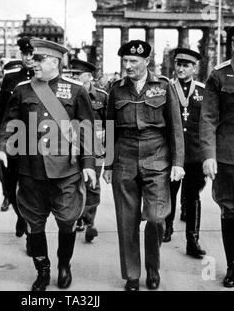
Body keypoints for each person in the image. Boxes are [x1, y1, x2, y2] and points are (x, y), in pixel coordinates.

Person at [0, 38, 96, 291]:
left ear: (55, 62)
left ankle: (64, 265)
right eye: (33, 59)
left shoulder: (76, 91)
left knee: (67, 221)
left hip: (66, 171)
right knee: (34, 223)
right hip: (31, 171)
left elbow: (87, 131)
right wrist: (0, 148)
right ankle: (42, 270)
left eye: (39, 60)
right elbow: (9, 123)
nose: (34, 64)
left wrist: (89, 164)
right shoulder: (22, 90)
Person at [103, 40, 185, 291]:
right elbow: (109, 128)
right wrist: (107, 164)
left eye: (133, 62)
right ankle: (132, 275)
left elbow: (175, 127)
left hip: (156, 156)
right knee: (126, 220)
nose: (128, 66)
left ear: (147, 62)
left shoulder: (163, 86)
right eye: (125, 61)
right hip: (125, 157)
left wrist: (178, 162)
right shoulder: (116, 88)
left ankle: (153, 266)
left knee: (156, 217)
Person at [200, 23, 234, 287]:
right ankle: (233, 266)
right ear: (232, 45)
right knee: (229, 210)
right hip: (227, 154)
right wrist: (208, 155)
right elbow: (208, 118)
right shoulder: (218, 75)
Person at [162, 48, 207, 258]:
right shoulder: (167, 89)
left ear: (194, 68)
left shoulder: (203, 91)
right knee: (169, 192)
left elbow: (208, 124)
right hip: (171, 154)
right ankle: (167, 227)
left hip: (195, 154)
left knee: (193, 196)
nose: (180, 69)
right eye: (178, 64)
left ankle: (192, 239)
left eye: (186, 65)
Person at [0, 37, 35, 255]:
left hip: (34, 146)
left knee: (30, 191)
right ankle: (20, 217)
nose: (28, 57)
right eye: (25, 53)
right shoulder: (10, 79)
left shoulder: (43, 78)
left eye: (32, 53)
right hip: (11, 143)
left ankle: (30, 232)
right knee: (10, 189)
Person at [69, 58, 107, 242]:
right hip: (73, 146)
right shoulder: (68, 93)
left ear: (89, 76)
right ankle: (78, 218)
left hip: (96, 146)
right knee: (75, 183)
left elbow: (110, 124)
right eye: (73, 74)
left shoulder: (101, 96)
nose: (75, 77)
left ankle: (89, 221)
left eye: (79, 74)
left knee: (93, 184)